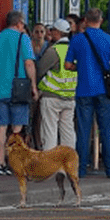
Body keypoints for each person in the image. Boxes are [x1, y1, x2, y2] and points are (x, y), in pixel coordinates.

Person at [65, 7, 110, 178]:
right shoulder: (108, 39)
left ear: (84, 21)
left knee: (83, 131)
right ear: (101, 20)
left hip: (83, 90)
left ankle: (80, 169)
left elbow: (67, 65)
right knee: (106, 130)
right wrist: (108, 67)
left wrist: (81, 67)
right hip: (104, 90)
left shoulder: (77, 40)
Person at [0, 10, 37, 173]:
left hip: (0, 89)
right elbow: (29, 64)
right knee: (17, 129)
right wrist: (33, 86)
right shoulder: (22, 38)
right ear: (19, 23)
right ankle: (15, 163)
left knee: (2, 127)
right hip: (18, 89)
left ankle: (0, 162)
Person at [35, 19, 76, 150]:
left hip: (52, 96)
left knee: (49, 132)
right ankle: (67, 165)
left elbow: (40, 70)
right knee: (68, 132)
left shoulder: (54, 50)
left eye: (52, 30)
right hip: (70, 97)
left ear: (58, 32)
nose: (50, 32)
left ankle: (50, 167)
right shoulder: (74, 49)